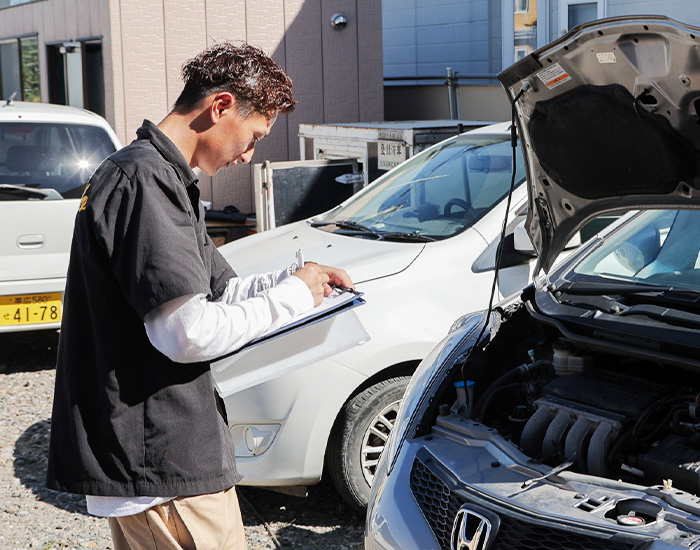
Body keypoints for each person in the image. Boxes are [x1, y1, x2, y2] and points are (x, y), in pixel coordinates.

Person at [45, 41, 353, 550]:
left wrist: (301, 281)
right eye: (254, 136)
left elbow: (221, 290)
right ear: (222, 106)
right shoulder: (145, 180)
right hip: (161, 460)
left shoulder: (162, 176)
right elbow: (186, 333)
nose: (250, 153)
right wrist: (293, 299)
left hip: (157, 461)